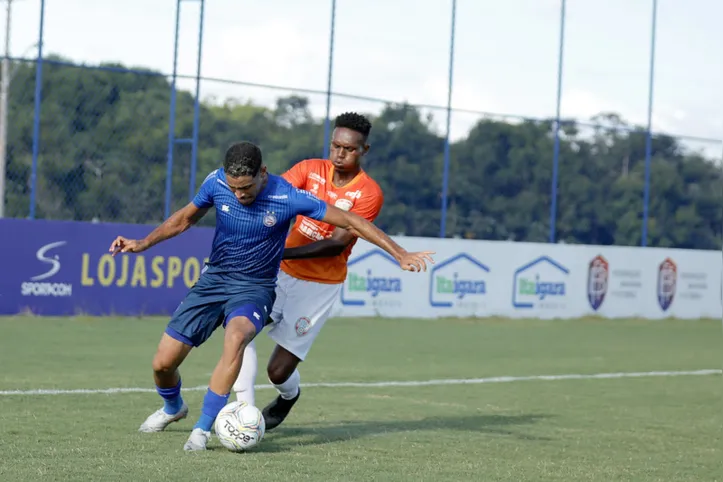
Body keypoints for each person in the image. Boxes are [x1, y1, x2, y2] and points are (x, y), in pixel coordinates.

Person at [108, 141, 434, 451]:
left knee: (237, 337)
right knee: (163, 364)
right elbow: (184, 219)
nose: (239, 194)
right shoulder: (215, 183)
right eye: (234, 188)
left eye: (246, 188)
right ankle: (173, 406)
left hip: (255, 286)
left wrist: (400, 254)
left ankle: (202, 430)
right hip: (214, 280)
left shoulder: (288, 197)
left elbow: (350, 220)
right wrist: (142, 243)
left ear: (263, 173)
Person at [232, 112, 384, 431]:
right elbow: (274, 197)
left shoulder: (368, 193)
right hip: (281, 274)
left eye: (349, 149)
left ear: (364, 150)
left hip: (319, 286)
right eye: (335, 146)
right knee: (240, 328)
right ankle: (243, 411)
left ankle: (289, 397)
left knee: (278, 373)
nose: (340, 154)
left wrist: (277, 250)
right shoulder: (309, 169)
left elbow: (336, 244)